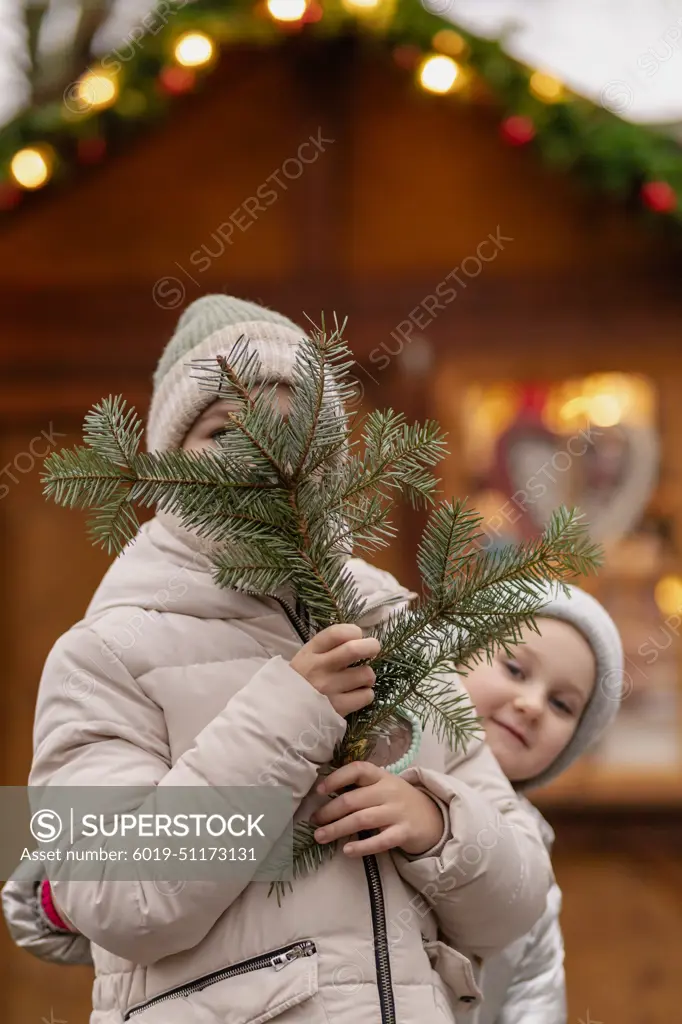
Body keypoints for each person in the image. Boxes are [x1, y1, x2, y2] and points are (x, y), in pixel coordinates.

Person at [3, 295, 554, 1023]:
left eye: (292, 433)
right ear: (170, 463)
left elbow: (514, 909)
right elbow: (117, 897)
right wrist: (292, 711)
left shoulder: (396, 636)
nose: (264, 455)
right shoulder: (106, 654)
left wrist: (440, 827)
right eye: (224, 428)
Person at [462, 585, 623, 1024]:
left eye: (561, 704)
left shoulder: (533, 868)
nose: (531, 705)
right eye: (514, 669)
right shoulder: (369, 764)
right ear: (458, 657)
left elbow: (535, 993)